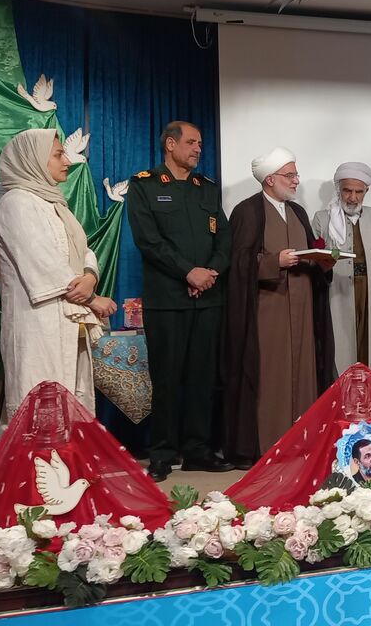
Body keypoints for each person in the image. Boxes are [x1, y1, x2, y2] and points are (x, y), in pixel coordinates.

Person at [127, 121, 233, 481]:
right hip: (168, 299)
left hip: (208, 298)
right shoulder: (145, 186)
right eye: (191, 142)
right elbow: (148, 240)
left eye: (200, 143)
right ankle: (162, 453)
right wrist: (189, 272)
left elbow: (224, 240)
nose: (198, 148)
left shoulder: (208, 188)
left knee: (203, 379)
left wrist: (210, 273)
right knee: (167, 379)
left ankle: (198, 450)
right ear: (170, 144)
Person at [222, 146, 337, 467]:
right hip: (267, 312)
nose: (296, 181)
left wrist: (322, 261)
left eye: (296, 175)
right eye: (290, 175)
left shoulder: (298, 211)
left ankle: (302, 441)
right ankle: (267, 443)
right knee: (272, 375)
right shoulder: (248, 211)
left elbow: (309, 250)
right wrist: (274, 262)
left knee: (304, 373)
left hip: (303, 309)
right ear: (270, 179)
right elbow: (238, 262)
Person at [0, 129, 117, 416]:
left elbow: (83, 249)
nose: (67, 161)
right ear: (33, 159)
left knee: (70, 406)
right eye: (59, 155)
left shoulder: (54, 203)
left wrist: (90, 276)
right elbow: (43, 262)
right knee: (40, 407)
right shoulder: (16, 203)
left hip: (68, 322)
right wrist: (92, 299)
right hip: (38, 324)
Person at [313, 162, 371, 378]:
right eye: (347, 191)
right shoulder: (322, 218)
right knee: (341, 350)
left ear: (366, 191)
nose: (352, 198)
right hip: (338, 294)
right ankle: (344, 397)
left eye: (358, 192)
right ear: (338, 189)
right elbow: (314, 261)